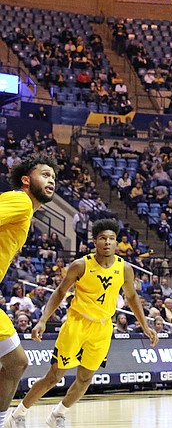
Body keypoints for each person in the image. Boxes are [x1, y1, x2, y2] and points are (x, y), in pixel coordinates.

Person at [7, 219, 158, 428]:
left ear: (117, 243)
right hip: (77, 324)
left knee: (86, 378)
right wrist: (42, 320)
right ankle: (17, 415)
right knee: (54, 376)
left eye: (112, 239)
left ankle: (57, 415)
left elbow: (132, 297)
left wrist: (145, 325)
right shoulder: (81, 265)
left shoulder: (125, 269)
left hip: (103, 328)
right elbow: (60, 292)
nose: (107, 242)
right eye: (103, 238)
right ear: (95, 241)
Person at [0, 154, 57, 427]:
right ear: (26, 180)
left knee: (16, 362)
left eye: (53, 178)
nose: (51, 181)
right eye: (45, 174)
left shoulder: (24, 211)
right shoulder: (21, 201)